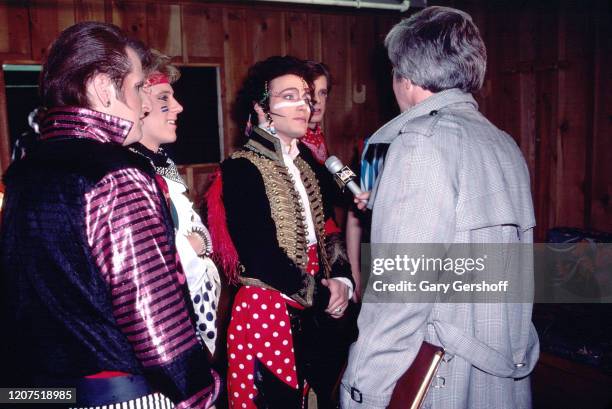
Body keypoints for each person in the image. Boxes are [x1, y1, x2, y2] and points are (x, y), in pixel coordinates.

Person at [1, 22, 219, 409]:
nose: (145, 103)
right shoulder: (117, 173)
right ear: (105, 89)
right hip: (123, 394)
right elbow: (154, 316)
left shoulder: (23, 171)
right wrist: (202, 392)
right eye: (138, 89)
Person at [341, 6, 539, 409]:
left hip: (444, 376)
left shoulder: (420, 141)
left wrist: (362, 390)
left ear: (407, 75)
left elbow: (400, 294)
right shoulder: (502, 142)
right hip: (501, 368)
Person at [207, 55, 353, 409]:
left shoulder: (308, 165)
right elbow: (261, 256)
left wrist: (344, 282)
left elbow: (330, 232)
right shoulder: (241, 168)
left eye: (305, 97)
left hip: (313, 312)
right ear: (261, 109)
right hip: (267, 313)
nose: (304, 105)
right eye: (288, 96)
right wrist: (322, 296)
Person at [128, 50, 221, 357]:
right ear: (137, 102)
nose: (178, 107)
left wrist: (196, 242)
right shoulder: (130, 171)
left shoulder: (162, 162)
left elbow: (201, 236)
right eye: (164, 98)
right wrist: (191, 245)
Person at [301, 60, 331, 164]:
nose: (318, 100)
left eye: (322, 93)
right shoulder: (292, 144)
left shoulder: (318, 136)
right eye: (310, 93)